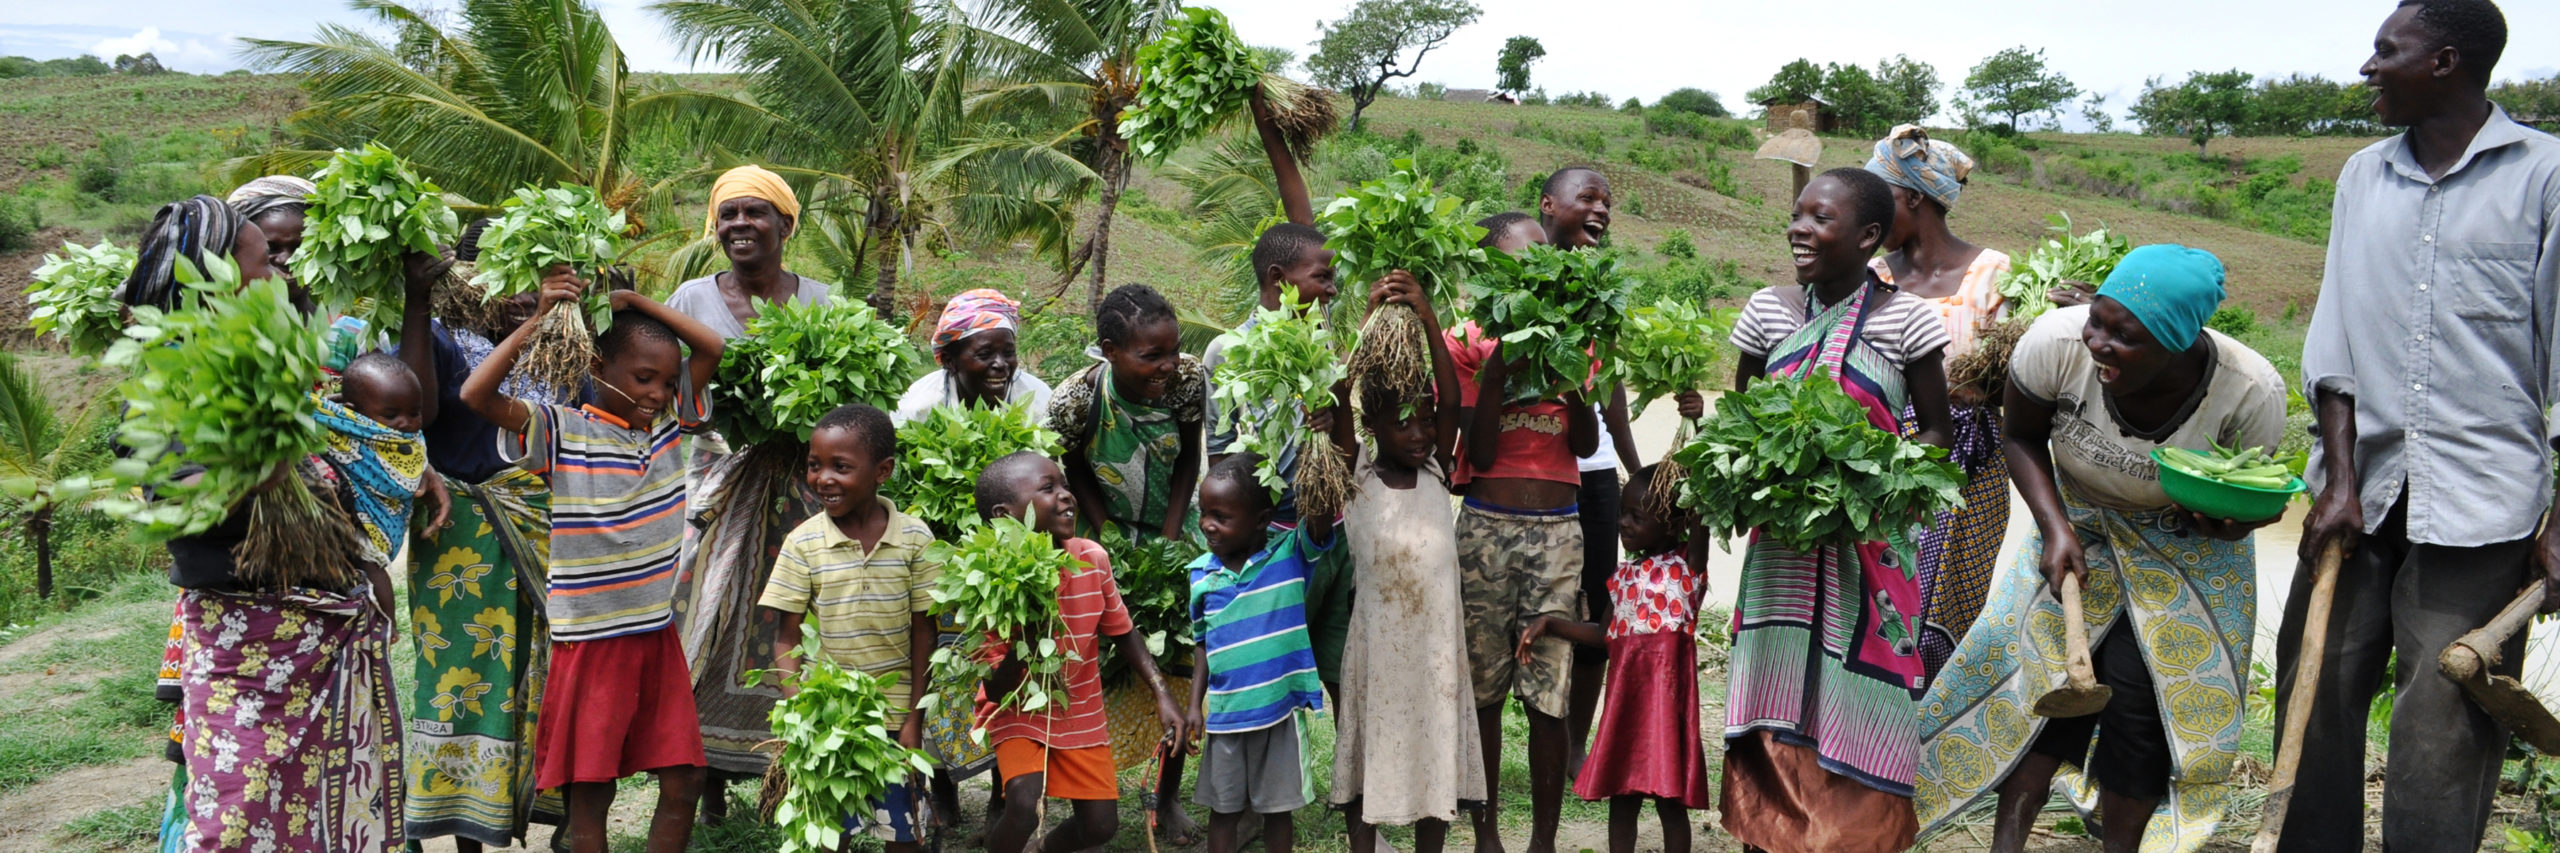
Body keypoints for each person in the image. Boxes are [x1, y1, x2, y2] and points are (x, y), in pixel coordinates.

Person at [2283, 2, 2560, 850]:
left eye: (2385, 51)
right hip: (2359, 490)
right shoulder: (2362, 176)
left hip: (2484, 505)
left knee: (2442, 726)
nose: (2368, 68)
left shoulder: (2544, 175)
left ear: (2444, 62)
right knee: (2314, 692)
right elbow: (2336, 337)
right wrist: (2335, 476)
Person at [1913, 246, 2287, 853]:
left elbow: (2257, 501)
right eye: (2099, 321)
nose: (2099, 342)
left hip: (2186, 550)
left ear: (2179, 342)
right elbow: (2022, 435)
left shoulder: (2249, 391)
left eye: (2125, 335)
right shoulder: (2056, 343)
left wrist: (2230, 526)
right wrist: (2054, 527)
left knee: (2141, 712)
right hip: (2075, 525)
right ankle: (2006, 841)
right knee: (2043, 687)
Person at [129, 194, 445, 853]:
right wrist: (256, 469)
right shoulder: (178, 382)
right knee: (238, 823)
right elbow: (176, 499)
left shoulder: (279, 373)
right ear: (215, 281)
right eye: (260, 263)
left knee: (317, 823)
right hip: (252, 654)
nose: (277, 276)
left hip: (321, 639)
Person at [1702, 167, 1952, 853]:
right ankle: (1767, 834)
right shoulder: (1769, 310)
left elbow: (1936, 432)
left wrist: (1867, 477)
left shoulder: (1907, 319)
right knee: (1773, 689)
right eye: (1798, 215)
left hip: (1867, 545)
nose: (1799, 229)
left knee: (1865, 690)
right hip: (1782, 546)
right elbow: (1744, 419)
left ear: (1869, 235)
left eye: (1820, 218)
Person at [460, 276, 727, 853]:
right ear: (598, 367)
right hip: (592, 637)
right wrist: (542, 318)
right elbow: (475, 398)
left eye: (664, 380)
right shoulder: (560, 429)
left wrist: (632, 303)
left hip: (654, 633)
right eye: (642, 378)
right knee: (591, 790)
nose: (656, 392)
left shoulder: (666, 427)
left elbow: (711, 348)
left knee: (685, 780)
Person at [661, 164, 841, 815]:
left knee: (790, 622)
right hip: (715, 482)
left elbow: (844, 409)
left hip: (800, 489)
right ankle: (702, 774)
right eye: (728, 213)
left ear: (785, 224)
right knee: (705, 608)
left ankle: (787, 765)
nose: (740, 224)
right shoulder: (689, 300)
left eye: (755, 212)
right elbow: (669, 391)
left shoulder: (822, 303)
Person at [390, 221, 572, 851]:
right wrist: (417, 301)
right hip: (460, 528)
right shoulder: (441, 337)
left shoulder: (566, 344)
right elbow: (420, 410)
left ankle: (563, 809)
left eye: (533, 281)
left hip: (554, 524)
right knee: (463, 671)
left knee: (558, 667)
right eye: (504, 280)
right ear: (468, 280)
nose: (521, 296)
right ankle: (469, 825)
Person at [1447, 214, 1603, 853]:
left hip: (1558, 532)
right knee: (1483, 686)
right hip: (1486, 526)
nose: (1535, 274)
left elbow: (1587, 444)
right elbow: (1478, 448)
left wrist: (1563, 367)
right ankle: (1486, 834)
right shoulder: (1467, 340)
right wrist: (1505, 360)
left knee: (1549, 691)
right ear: (1488, 272)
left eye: (1543, 261)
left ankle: (1544, 839)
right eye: (1518, 263)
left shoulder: (1577, 337)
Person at [1325, 272, 1485, 853]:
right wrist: (1370, 321)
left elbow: (1452, 397)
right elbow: (1338, 392)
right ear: (1373, 429)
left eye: (1424, 421)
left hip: (1436, 651)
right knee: (1371, 755)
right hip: (1378, 649)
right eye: (1403, 423)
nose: (1419, 433)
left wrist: (1426, 317)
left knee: (1434, 754)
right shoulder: (1359, 473)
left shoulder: (1436, 470)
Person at [971, 451, 1189, 853]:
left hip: (1081, 710)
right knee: (1021, 805)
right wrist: (1030, 636)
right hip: (1020, 710)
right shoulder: (991, 581)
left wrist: (1162, 692)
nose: (1066, 496)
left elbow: (1123, 632)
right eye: (1048, 488)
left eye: (1064, 485)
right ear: (1004, 514)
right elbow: (997, 689)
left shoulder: (1091, 558)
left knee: (1101, 826)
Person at [1863, 126, 2015, 679]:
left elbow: (2017, 381)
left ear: (1912, 198)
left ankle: (1933, 741)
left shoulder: (1995, 276)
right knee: (1877, 597)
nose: (1867, 217)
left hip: (1968, 464)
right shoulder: (1872, 277)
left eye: (1876, 198)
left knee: (1946, 602)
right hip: (1879, 459)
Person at [758, 402, 940, 853]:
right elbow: (785, 637)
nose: (824, 479)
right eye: (815, 466)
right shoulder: (803, 542)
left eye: (841, 467)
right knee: (828, 836)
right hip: (830, 715)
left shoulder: (915, 539)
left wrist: (913, 720)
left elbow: (926, 635)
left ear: (883, 471)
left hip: (897, 713)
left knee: (904, 834)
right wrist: (801, 712)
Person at [1518, 464, 1712, 853]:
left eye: (1636, 517)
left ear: (1673, 525)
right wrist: (1552, 624)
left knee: (1670, 804)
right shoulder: (1623, 577)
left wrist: (1698, 442)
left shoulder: (1687, 569)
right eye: (1622, 512)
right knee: (1622, 801)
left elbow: (1702, 509)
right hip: (1626, 710)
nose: (1623, 523)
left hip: (1666, 713)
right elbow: (1606, 637)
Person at [1535, 168, 1645, 777]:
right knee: (1544, 605)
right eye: (1589, 198)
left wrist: (1638, 475)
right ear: (1549, 205)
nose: (1601, 210)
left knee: (1598, 608)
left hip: (1596, 473)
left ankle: (1577, 742)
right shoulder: (1518, 274)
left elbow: (1613, 394)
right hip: (1539, 475)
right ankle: (1543, 732)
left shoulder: (1604, 286)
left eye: (1608, 202)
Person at [1185, 453, 1332, 853]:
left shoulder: (1289, 556)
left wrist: (1320, 439)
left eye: (1222, 516)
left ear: (1262, 519)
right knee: (1223, 811)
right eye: (1204, 512)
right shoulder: (1201, 575)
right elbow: (1202, 644)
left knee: (1278, 812)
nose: (1207, 525)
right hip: (1228, 718)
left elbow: (1321, 515)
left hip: (1278, 715)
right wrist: (1195, 706)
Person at [1051, 283, 1206, 543]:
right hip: (1107, 522)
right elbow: (1075, 471)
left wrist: (1169, 538)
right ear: (1110, 351)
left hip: (1178, 516)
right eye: (1152, 356)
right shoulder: (1072, 402)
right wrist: (1111, 540)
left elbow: (1189, 456)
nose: (1168, 365)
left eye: (1174, 351)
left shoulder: (1186, 378)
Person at [895, 289, 1054, 426]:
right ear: (949, 361)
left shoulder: (1039, 404)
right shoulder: (918, 409)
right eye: (984, 354)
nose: (1000, 364)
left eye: (1008, 353)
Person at [224, 174, 317, 310]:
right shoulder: (202, 326)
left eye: (301, 249)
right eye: (270, 248)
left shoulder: (347, 330)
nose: (286, 260)